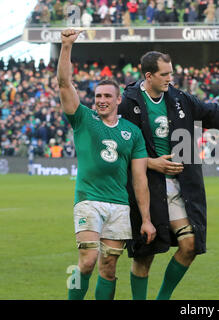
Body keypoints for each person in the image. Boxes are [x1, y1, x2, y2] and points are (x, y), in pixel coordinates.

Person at [117, 51, 219, 300]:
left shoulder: (179, 99)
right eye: (164, 74)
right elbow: (119, 145)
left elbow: (214, 113)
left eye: (171, 72)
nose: (170, 78)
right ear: (148, 76)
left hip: (180, 184)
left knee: (189, 245)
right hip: (146, 185)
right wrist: (151, 163)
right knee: (144, 255)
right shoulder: (129, 103)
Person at [58, 29, 156, 300]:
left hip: (118, 205)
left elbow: (139, 179)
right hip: (88, 200)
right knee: (88, 261)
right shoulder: (83, 119)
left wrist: (146, 220)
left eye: (107, 96)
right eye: (98, 96)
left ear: (118, 100)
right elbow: (65, 84)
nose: (101, 100)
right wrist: (66, 46)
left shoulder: (131, 133)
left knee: (109, 267)